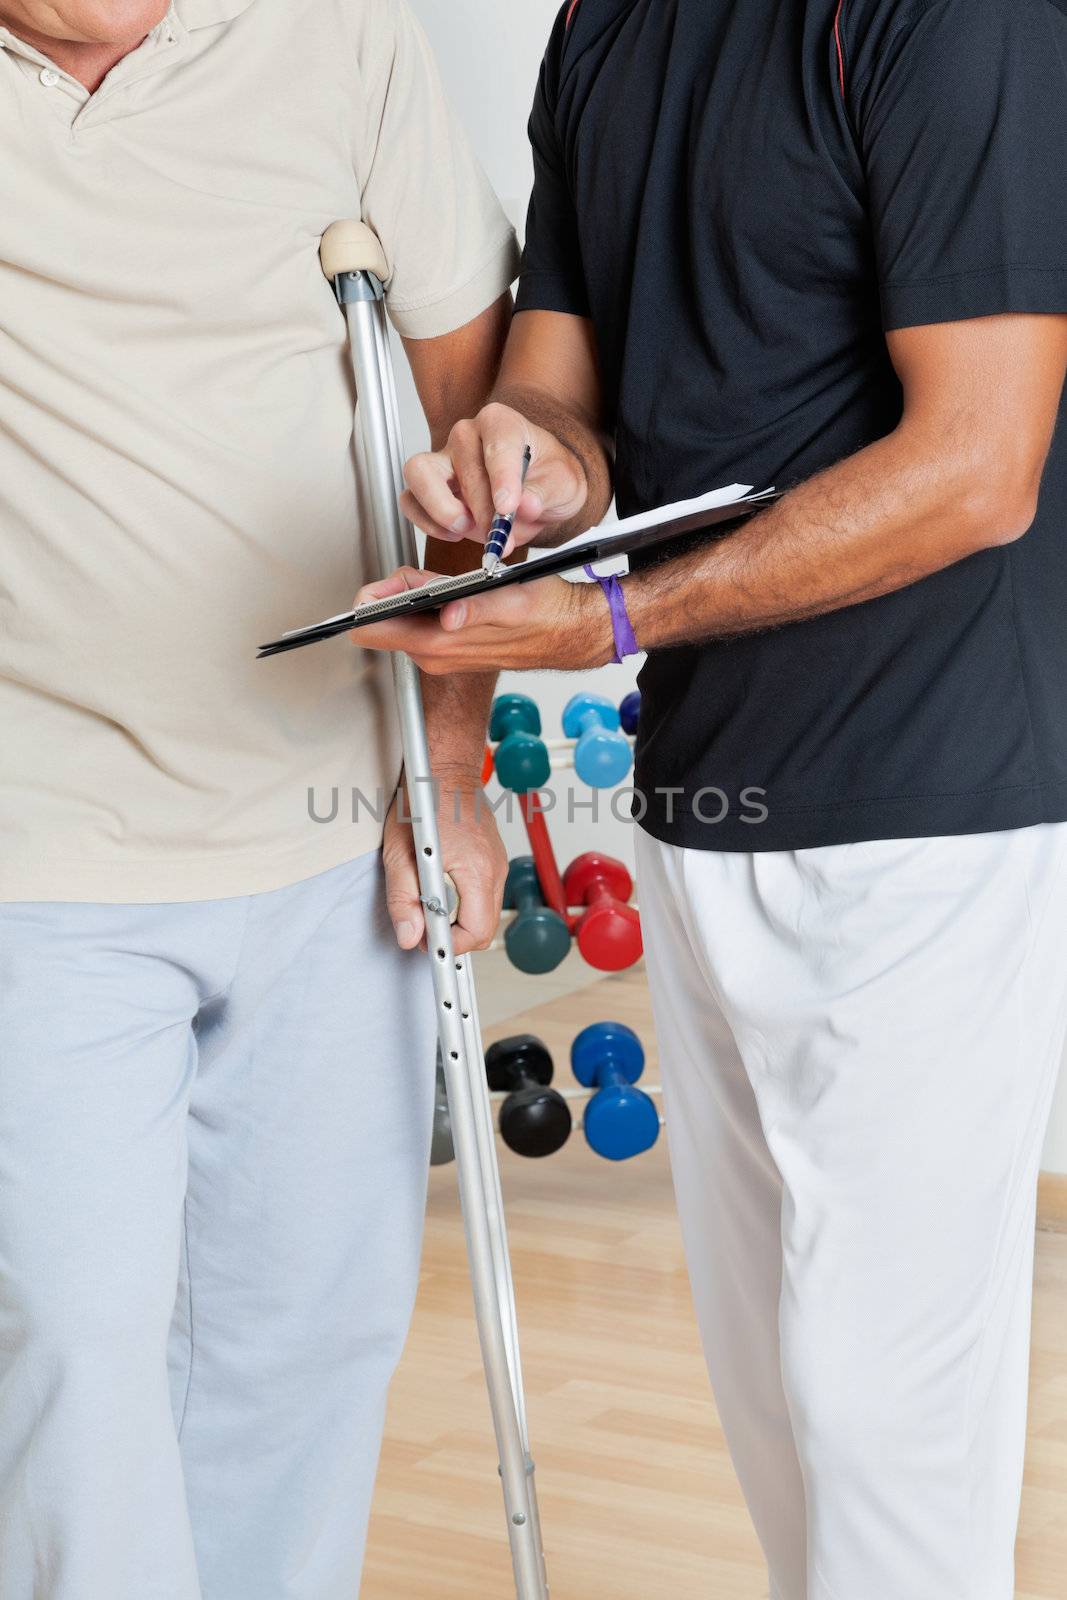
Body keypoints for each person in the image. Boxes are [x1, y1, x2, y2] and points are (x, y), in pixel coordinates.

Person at [355, 1, 1067, 1594]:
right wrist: (518, 470)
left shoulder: (956, 19)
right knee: (779, 1399)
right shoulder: (608, 24)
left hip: (925, 810)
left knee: (884, 1418)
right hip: (700, 797)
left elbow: (981, 462)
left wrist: (609, 619)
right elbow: (564, 397)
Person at [0, 1, 518, 1595]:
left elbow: (469, 432)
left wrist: (448, 766)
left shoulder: (341, 37)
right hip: (37, 846)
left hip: (327, 824)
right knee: (70, 1361)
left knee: (300, 1352)